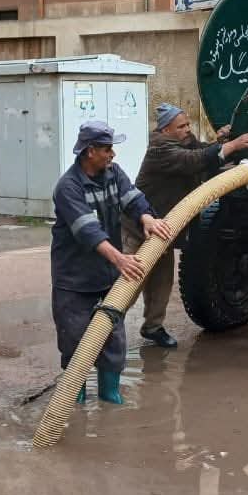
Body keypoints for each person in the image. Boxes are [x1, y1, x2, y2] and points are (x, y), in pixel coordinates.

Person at [121, 104, 248, 348]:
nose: (187, 129)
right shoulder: (160, 150)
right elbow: (194, 161)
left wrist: (222, 141)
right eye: (181, 126)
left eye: (187, 124)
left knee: (161, 283)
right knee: (131, 283)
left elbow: (204, 153)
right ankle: (108, 327)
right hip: (139, 228)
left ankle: (153, 328)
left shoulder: (185, 142)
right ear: (165, 130)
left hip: (163, 229)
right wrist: (233, 145)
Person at [51, 120, 172, 405]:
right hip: (74, 282)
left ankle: (110, 397)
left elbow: (133, 199)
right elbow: (88, 231)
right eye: (107, 149)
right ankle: (73, 402)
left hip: (106, 279)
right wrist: (120, 259)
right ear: (90, 151)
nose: (112, 154)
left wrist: (147, 218)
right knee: (75, 344)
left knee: (113, 342)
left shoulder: (113, 173)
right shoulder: (68, 187)